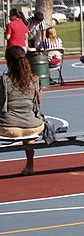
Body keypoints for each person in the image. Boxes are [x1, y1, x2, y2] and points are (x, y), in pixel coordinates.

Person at [0, 45, 44, 175]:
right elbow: (38, 103)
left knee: (15, 123)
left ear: (8, 62)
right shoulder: (35, 79)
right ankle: (30, 165)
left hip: (9, 128)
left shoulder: (4, 80)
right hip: (33, 126)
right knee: (28, 131)